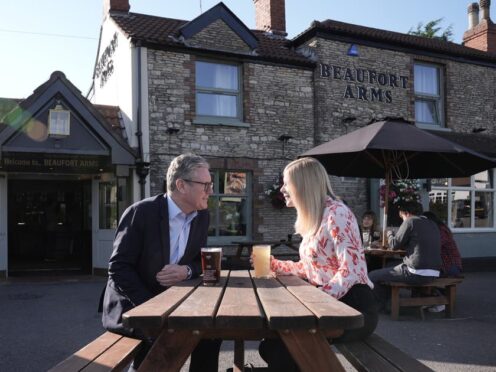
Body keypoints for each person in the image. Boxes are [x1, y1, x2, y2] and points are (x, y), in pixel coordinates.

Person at [101, 153, 221, 371]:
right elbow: (118, 269)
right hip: (134, 306)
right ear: (181, 185)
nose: (210, 191)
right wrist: (153, 310)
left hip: (173, 303)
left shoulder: (201, 216)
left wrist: (185, 271)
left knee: (210, 335)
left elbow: (197, 261)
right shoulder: (141, 213)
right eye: (205, 185)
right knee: (166, 338)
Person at [258, 157, 378, 372]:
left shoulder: (338, 214)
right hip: (331, 304)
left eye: (286, 183)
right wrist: (275, 265)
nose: (282, 189)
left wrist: (316, 300)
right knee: (271, 346)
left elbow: (349, 272)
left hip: (354, 309)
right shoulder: (317, 217)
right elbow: (310, 268)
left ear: (303, 185)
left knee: (283, 349)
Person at [368, 201, 442, 312]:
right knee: (389, 265)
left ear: (406, 213)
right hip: (435, 272)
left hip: (415, 272)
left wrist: (389, 233)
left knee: (372, 275)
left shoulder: (410, 221)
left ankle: (385, 304)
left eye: (402, 216)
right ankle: (392, 299)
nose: (402, 219)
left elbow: (393, 245)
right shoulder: (432, 223)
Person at [422, 211, 462, 278]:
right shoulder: (435, 229)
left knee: (422, 276)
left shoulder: (441, 230)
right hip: (444, 266)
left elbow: (433, 246)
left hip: (450, 267)